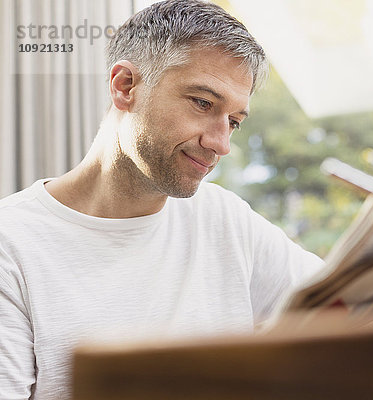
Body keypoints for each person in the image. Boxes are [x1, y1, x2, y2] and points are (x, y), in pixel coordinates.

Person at [0, 1, 324, 398]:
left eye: (234, 122)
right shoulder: (11, 244)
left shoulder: (225, 219)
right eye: (203, 103)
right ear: (125, 86)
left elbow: (351, 309)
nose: (220, 143)